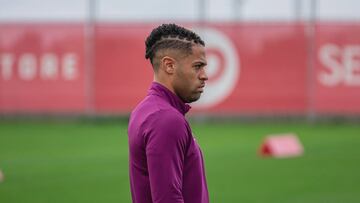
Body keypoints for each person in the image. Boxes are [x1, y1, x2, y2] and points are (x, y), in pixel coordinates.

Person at [127, 23, 209, 203]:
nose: (204, 75)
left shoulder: (145, 110)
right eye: (197, 66)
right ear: (169, 66)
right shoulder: (165, 119)